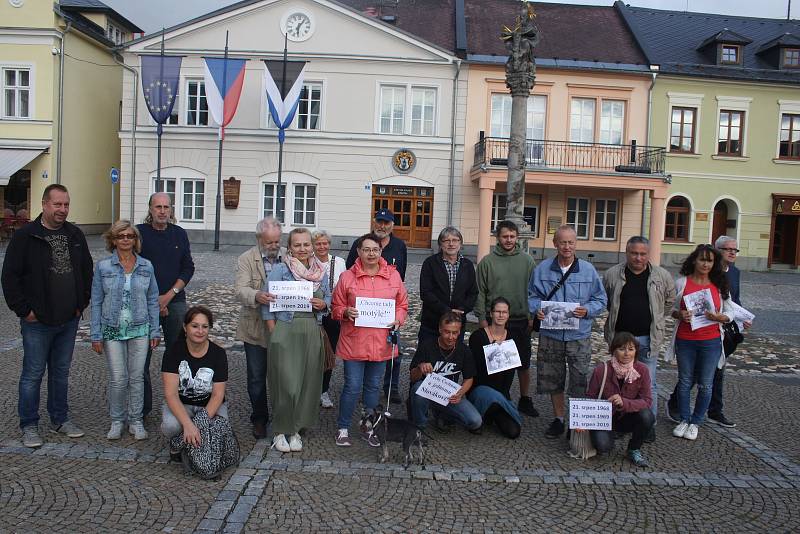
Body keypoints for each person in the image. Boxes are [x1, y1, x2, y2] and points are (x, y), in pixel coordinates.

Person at [1, 184, 93, 448]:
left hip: (68, 319)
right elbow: (9, 278)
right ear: (44, 204)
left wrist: (80, 303)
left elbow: (87, 271)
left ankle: (60, 418)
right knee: (32, 373)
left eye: (66, 205)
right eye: (57, 204)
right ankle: (29, 424)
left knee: (61, 372)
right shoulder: (26, 236)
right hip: (37, 321)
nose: (63, 210)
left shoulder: (75, 234)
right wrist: (24, 311)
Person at [529, 225, 607, 439]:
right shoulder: (542, 269)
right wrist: (537, 310)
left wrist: (588, 310)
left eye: (570, 242)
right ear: (555, 244)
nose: (567, 246)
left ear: (576, 244)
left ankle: (577, 421)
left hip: (579, 335)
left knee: (580, 378)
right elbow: (532, 296)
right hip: (551, 335)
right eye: (562, 242)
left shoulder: (588, 270)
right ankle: (559, 419)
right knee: (553, 378)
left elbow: (600, 299)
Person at [332, 233, 408, 447]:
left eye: (374, 249)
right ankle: (343, 427)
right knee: (353, 386)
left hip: (381, 342)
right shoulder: (347, 277)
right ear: (359, 252)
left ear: (380, 251)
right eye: (366, 249)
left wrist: (398, 320)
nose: (371, 253)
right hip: (354, 341)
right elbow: (335, 307)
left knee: (373, 387)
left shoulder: (393, 276)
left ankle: (370, 427)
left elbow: (402, 305)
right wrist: (345, 312)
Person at [262, 228, 331, 453]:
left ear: (312, 246)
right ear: (289, 248)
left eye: (306, 245)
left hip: (311, 330)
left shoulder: (321, 272)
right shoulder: (280, 270)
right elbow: (267, 304)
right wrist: (275, 333)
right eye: (297, 245)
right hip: (286, 329)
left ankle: (297, 429)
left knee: (307, 384)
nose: (302, 249)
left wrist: (324, 305)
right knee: (286, 384)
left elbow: (328, 298)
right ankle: (281, 430)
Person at [666, 236, 747, 428]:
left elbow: (730, 311)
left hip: (710, 340)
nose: (705, 263)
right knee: (685, 381)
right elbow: (668, 308)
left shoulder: (719, 285)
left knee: (705, 383)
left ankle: (696, 421)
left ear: (714, 263)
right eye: (702, 259)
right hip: (686, 339)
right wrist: (679, 314)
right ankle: (684, 419)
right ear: (694, 260)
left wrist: (720, 317)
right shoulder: (681, 283)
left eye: (709, 260)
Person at [90, 221, 161, 440]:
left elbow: (152, 299)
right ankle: (117, 420)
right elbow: (96, 301)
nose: (126, 240)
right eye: (121, 236)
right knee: (118, 378)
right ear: (113, 240)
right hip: (112, 329)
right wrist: (96, 334)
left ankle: (136, 421)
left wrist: (154, 330)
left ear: (135, 240)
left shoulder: (146, 266)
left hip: (140, 328)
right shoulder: (103, 267)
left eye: (130, 236)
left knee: (137, 377)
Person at [603, 236, 675, 443]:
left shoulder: (661, 276)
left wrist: (658, 318)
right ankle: (619, 422)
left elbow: (669, 302)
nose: (638, 257)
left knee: (648, 384)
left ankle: (647, 425)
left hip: (647, 338)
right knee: (618, 383)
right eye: (634, 253)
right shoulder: (612, 274)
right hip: (620, 338)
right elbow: (609, 301)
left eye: (643, 254)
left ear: (648, 255)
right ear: (627, 253)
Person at [137, 192, 195, 418]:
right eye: (158, 206)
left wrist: (169, 295)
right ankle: (141, 409)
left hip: (175, 301)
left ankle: (179, 404)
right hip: (144, 302)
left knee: (179, 354)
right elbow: (134, 267)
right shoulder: (140, 234)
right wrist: (154, 300)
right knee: (141, 356)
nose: (162, 211)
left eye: (166, 207)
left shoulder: (179, 234)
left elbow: (187, 268)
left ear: (171, 210)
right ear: (150, 209)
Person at [475, 220, 537, 417]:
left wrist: (531, 317)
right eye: (504, 236)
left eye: (512, 236)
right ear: (497, 238)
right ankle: (499, 395)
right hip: (495, 320)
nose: (508, 240)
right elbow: (480, 292)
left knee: (524, 362)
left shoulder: (527, 261)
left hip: (520, 319)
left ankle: (525, 398)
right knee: (497, 362)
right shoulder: (487, 262)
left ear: (517, 237)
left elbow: (533, 290)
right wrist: (482, 317)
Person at [346, 208, 408, 404]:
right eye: (379, 221)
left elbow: (401, 277)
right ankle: (364, 388)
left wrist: (396, 311)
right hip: (364, 311)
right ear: (374, 222)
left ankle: (392, 387)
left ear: (392, 225)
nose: (382, 225)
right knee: (364, 353)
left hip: (387, 311)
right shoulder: (361, 243)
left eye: (386, 222)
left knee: (393, 353)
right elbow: (350, 271)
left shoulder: (399, 246)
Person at [234, 217, 285, 439]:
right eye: (269, 242)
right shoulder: (246, 259)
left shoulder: (288, 256)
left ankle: (284, 417)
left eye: (277, 242)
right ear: (259, 239)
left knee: (283, 375)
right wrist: (256, 295)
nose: (274, 247)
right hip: (254, 328)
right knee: (256, 377)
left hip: (283, 327)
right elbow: (239, 290)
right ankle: (259, 418)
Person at [161, 306, 228, 461]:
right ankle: (177, 443)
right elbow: (170, 394)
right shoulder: (173, 351)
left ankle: (191, 442)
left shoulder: (218, 353)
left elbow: (218, 394)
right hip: (182, 403)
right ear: (185, 327)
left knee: (219, 431)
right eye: (195, 326)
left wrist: (200, 423)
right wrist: (188, 425)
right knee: (171, 426)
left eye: (205, 327)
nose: (200, 331)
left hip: (210, 404)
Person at [585, 332, 654, 467]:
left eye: (631, 349)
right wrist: (583, 422)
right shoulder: (601, 370)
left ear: (636, 351)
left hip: (628, 416)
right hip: (604, 418)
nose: (627, 354)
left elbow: (647, 400)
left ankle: (634, 449)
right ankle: (608, 434)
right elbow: (590, 397)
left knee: (647, 416)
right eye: (621, 349)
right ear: (613, 351)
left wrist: (625, 402)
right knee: (603, 447)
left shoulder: (642, 370)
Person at [408, 312, 481, 432]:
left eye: (455, 333)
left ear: (459, 332)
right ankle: (419, 427)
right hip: (428, 392)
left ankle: (443, 414)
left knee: (475, 421)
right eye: (447, 332)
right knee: (417, 387)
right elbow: (413, 378)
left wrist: (460, 393)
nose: (451, 337)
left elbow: (469, 378)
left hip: (449, 395)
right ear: (440, 330)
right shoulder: (427, 345)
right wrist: (420, 367)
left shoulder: (464, 350)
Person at [467, 297, 522, 439]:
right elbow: (475, 371)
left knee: (513, 432)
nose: (501, 315)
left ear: (508, 315)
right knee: (491, 398)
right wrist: (493, 351)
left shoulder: (513, 338)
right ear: (491, 314)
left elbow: (511, 372)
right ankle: (484, 411)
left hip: (502, 394)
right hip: (481, 391)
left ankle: (494, 411)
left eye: (504, 312)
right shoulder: (477, 337)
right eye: (497, 311)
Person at [419, 227, 477, 343]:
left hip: (457, 323)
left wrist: (462, 309)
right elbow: (426, 292)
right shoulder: (430, 263)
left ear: (460, 243)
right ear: (440, 244)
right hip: (432, 322)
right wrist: (446, 310)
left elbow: (473, 292)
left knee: (453, 358)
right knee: (428, 357)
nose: (451, 244)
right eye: (447, 241)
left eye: (455, 240)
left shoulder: (468, 265)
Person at [313, 229, 347, 409]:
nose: (322, 246)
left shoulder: (339, 262)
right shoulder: (307, 262)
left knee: (329, 353)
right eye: (318, 243)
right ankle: (310, 389)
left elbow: (345, 285)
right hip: (312, 313)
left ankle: (324, 390)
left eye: (325, 243)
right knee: (311, 353)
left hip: (332, 314)